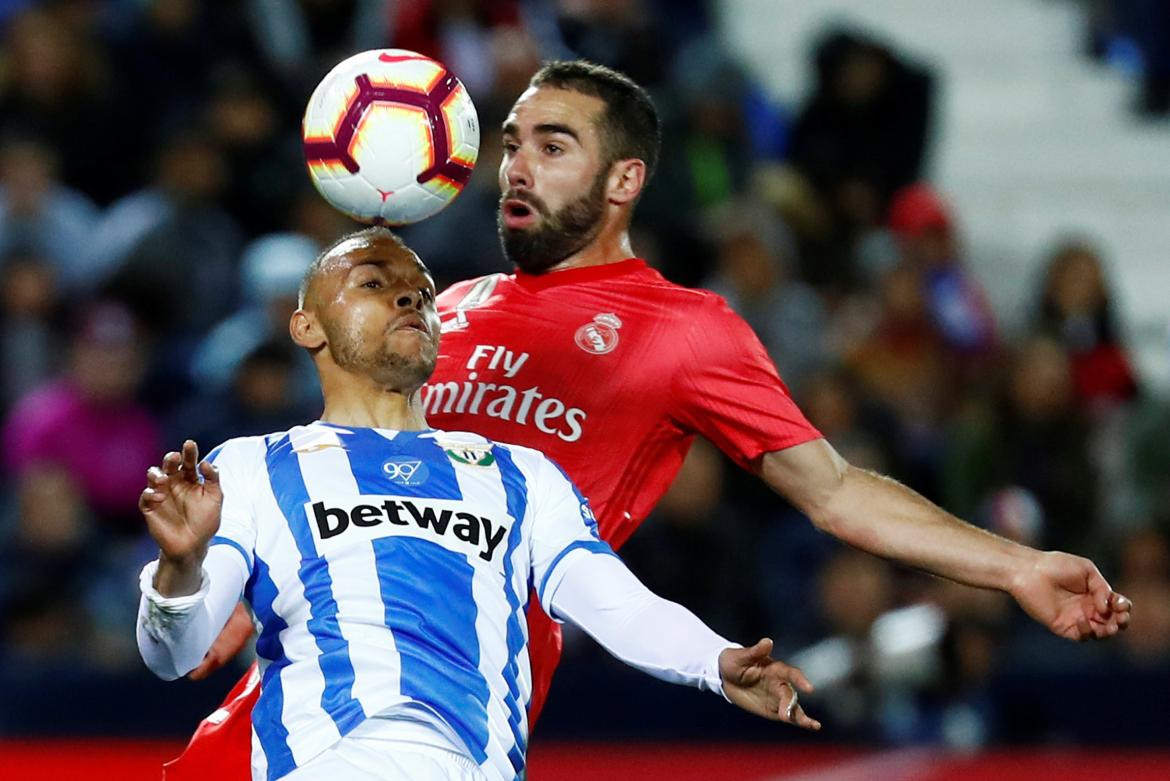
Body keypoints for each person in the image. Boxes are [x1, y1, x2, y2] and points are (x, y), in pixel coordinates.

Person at [165, 60, 1132, 780]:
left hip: (465, 687)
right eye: (511, 143)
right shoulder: (442, 308)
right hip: (308, 675)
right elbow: (342, 474)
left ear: (623, 181)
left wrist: (1014, 567)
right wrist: (237, 580)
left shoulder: (686, 332)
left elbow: (835, 493)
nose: (517, 168)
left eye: (553, 148)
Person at [136, 230, 820, 781]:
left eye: (421, 292)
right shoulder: (252, 466)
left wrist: (715, 660)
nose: (409, 300)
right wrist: (179, 568)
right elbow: (173, 656)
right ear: (307, 325)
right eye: (374, 284)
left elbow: (617, 602)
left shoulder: (518, 473)